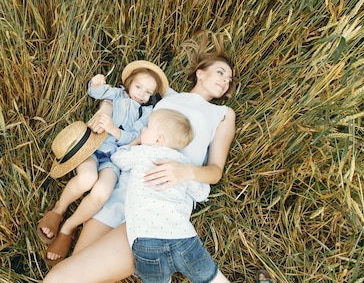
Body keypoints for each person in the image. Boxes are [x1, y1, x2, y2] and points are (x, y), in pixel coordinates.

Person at [43, 31, 243, 283]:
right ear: (200, 73)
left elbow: (215, 170)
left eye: (229, 79)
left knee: (62, 279)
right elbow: (123, 100)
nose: (226, 81)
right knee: (75, 266)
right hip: (127, 183)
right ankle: (67, 228)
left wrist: (187, 172)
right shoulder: (165, 96)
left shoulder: (223, 114)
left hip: (160, 202)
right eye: (221, 72)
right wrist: (103, 103)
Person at [38, 60, 169, 263]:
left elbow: (133, 137)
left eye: (148, 92)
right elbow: (97, 92)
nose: (141, 94)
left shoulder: (145, 114)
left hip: (113, 158)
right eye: (138, 87)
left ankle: (68, 228)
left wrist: (114, 130)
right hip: (92, 148)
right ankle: (58, 210)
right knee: (87, 177)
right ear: (129, 82)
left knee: (102, 192)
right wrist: (96, 83)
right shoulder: (116, 94)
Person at [111, 108, 226, 283]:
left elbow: (118, 157)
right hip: (183, 236)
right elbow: (202, 193)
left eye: (147, 127)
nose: (143, 130)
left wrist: (136, 141)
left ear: (158, 139)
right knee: (209, 276)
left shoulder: (141, 153)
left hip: (146, 241)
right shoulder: (183, 164)